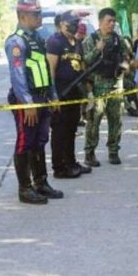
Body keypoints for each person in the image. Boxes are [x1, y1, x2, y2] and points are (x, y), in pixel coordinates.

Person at [5, 0, 63, 203]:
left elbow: (47, 70)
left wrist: (53, 95)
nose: (40, 18)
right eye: (35, 14)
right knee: (25, 142)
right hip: (27, 100)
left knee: (40, 141)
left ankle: (41, 182)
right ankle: (25, 188)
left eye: (39, 13)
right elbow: (17, 74)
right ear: (22, 15)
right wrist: (27, 103)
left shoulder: (38, 39)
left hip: (43, 97)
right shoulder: (16, 41)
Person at [82, 8, 130, 166]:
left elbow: (127, 56)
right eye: (109, 21)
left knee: (116, 120)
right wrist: (98, 49)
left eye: (113, 21)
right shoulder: (92, 39)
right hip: (98, 86)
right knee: (93, 121)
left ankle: (113, 151)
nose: (112, 24)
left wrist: (123, 67)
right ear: (100, 21)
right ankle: (90, 153)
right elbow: (86, 61)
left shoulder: (118, 39)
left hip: (116, 85)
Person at [48, 10, 90, 177]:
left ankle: (71, 162)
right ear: (61, 23)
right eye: (69, 23)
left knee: (71, 130)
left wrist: (88, 91)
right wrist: (53, 96)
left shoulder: (76, 42)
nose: (72, 26)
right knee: (59, 131)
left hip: (75, 94)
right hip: (61, 94)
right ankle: (60, 167)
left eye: (75, 23)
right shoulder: (55, 41)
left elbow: (81, 66)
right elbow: (50, 69)